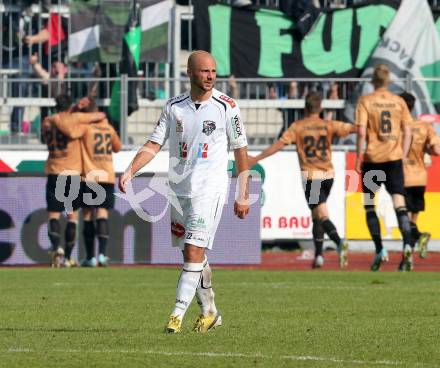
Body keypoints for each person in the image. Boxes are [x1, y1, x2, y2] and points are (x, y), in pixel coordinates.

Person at [118, 50, 250, 333]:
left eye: (214, 71)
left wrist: (243, 192)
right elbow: (154, 144)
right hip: (179, 191)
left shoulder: (227, 106)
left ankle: (175, 316)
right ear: (190, 73)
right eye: (204, 71)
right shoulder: (173, 106)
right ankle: (211, 311)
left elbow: (240, 151)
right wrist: (131, 169)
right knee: (193, 255)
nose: (211, 76)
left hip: (210, 189)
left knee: (192, 250)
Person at [249, 91, 354, 269]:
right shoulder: (328, 124)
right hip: (329, 176)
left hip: (312, 177)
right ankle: (319, 255)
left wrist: (256, 158)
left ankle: (339, 241)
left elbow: (278, 145)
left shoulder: (298, 127)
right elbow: (352, 128)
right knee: (316, 216)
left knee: (321, 215)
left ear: (305, 107)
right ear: (320, 107)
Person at [355, 64, 414, 271]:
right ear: (388, 81)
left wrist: (358, 156)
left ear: (373, 81)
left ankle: (380, 249)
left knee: (370, 205)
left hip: (372, 159)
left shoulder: (366, 101)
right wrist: (404, 155)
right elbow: (408, 131)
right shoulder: (398, 102)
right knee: (400, 203)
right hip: (394, 158)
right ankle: (407, 244)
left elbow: (361, 133)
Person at [41, 94, 105, 267]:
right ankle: (68, 257)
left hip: (54, 172)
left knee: (53, 215)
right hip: (72, 173)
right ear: (71, 106)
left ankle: (56, 250)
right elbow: (100, 116)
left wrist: (73, 110)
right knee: (72, 217)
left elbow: (49, 133)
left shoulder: (47, 121)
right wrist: (78, 114)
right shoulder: (75, 119)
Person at [58, 97, 121, 267]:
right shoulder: (108, 127)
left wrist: (73, 111)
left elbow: (68, 129)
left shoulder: (84, 128)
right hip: (106, 176)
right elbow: (117, 147)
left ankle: (90, 258)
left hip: (90, 176)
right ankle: (102, 255)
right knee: (102, 213)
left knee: (86, 216)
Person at [399, 92, 440, 259]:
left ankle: (414, 245)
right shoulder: (425, 126)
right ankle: (407, 259)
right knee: (412, 221)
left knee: (404, 223)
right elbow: (437, 150)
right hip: (420, 178)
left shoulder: (398, 127)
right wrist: (426, 149)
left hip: (403, 178)